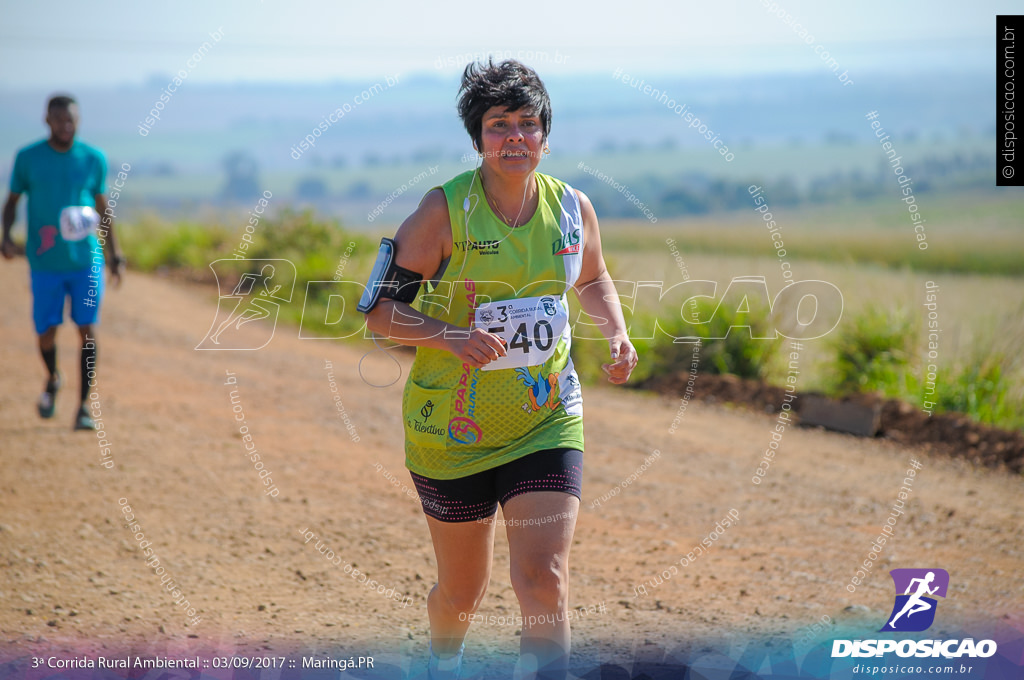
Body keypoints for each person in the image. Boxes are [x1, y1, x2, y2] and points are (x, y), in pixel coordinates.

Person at [362, 59, 638, 680]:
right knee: (461, 595)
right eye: (498, 125)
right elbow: (379, 313)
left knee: (543, 581)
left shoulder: (572, 209)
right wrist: (450, 336)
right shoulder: (444, 212)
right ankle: (443, 658)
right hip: (451, 431)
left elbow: (592, 279)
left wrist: (616, 332)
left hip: (546, 419)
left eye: (528, 123)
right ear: (478, 138)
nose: (515, 136)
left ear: (545, 133)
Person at [2, 94, 124, 430]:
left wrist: (114, 253)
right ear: (47, 121)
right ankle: (53, 377)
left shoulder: (93, 159)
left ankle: (83, 407)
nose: (65, 126)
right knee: (47, 331)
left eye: (71, 120)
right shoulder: (28, 158)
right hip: (45, 262)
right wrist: (6, 235)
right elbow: (12, 201)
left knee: (87, 330)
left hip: (86, 261)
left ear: (78, 120)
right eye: (59, 120)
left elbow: (102, 206)